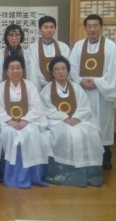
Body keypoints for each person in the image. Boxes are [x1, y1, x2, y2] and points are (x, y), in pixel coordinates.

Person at [69, 14, 116, 170]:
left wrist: (97, 82)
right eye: (89, 26)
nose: (92, 29)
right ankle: (84, 157)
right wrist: (81, 81)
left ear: (101, 27)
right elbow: (72, 67)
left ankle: (104, 158)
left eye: (95, 26)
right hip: (83, 93)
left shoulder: (111, 46)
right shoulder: (78, 46)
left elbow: (114, 70)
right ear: (85, 28)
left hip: (102, 93)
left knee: (103, 123)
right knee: (83, 122)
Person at [40, 56, 104, 186]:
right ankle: (61, 173)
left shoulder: (76, 88)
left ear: (68, 71)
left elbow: (84, 106)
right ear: (52, 72)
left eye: (63, 68)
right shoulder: (47, 89)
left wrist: (75, 118)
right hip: (57, 122)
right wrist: (64, 118)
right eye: (57, 69)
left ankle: (89, 175)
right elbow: (46, 109)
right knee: (60, 134)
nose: (60, 71)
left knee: (89, 133)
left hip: (77, 120)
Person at [0, 54, 51, 188]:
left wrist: (25, 120)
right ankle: (11, 177)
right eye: (11, 68)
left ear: (23, 70)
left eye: (18, 68)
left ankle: (33, 176)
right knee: (10, 135)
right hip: (8, 124)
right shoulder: (1, 87)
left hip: (28, 122)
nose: (15, 71)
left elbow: (36, 107)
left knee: (31, 134)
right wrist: (8, 121)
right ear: (6, 71)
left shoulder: (30, 86)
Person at [27, 16, 71, 91]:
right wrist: (44, 83)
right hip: (40, 87)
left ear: (55, 29)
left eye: (52, 27)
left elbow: (68, 67)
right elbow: (33, 70)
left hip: (60, 86)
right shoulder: (32, 48)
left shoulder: (63, 47)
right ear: (40, 29)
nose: (49, 30)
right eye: (46, 27)